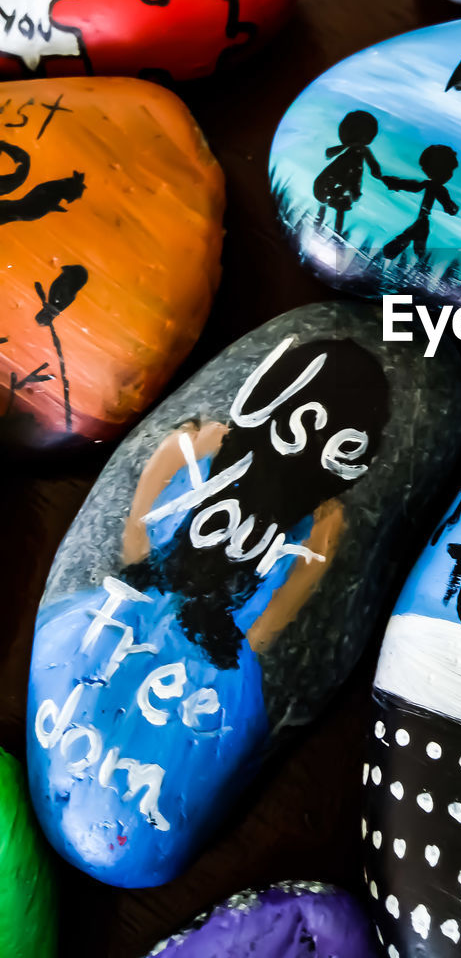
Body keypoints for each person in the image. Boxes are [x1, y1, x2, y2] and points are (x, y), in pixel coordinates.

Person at [29, 336, 390, 885]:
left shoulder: (324, 518)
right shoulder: (220, 442)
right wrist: (138, 556)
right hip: (135, 606)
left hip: (211, 654)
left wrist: (238, 636)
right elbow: (161, 469)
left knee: (177, 735)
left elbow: (285, 608)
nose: (308, 433)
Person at [382, 144, 459, 260]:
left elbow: (413, 186)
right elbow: (449, 208)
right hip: (421, 222)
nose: (450, 175)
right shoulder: (435, 188)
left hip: (421, 222)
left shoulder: (431, 186)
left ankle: (400, 246)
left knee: (414, 238)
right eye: (450, 170)